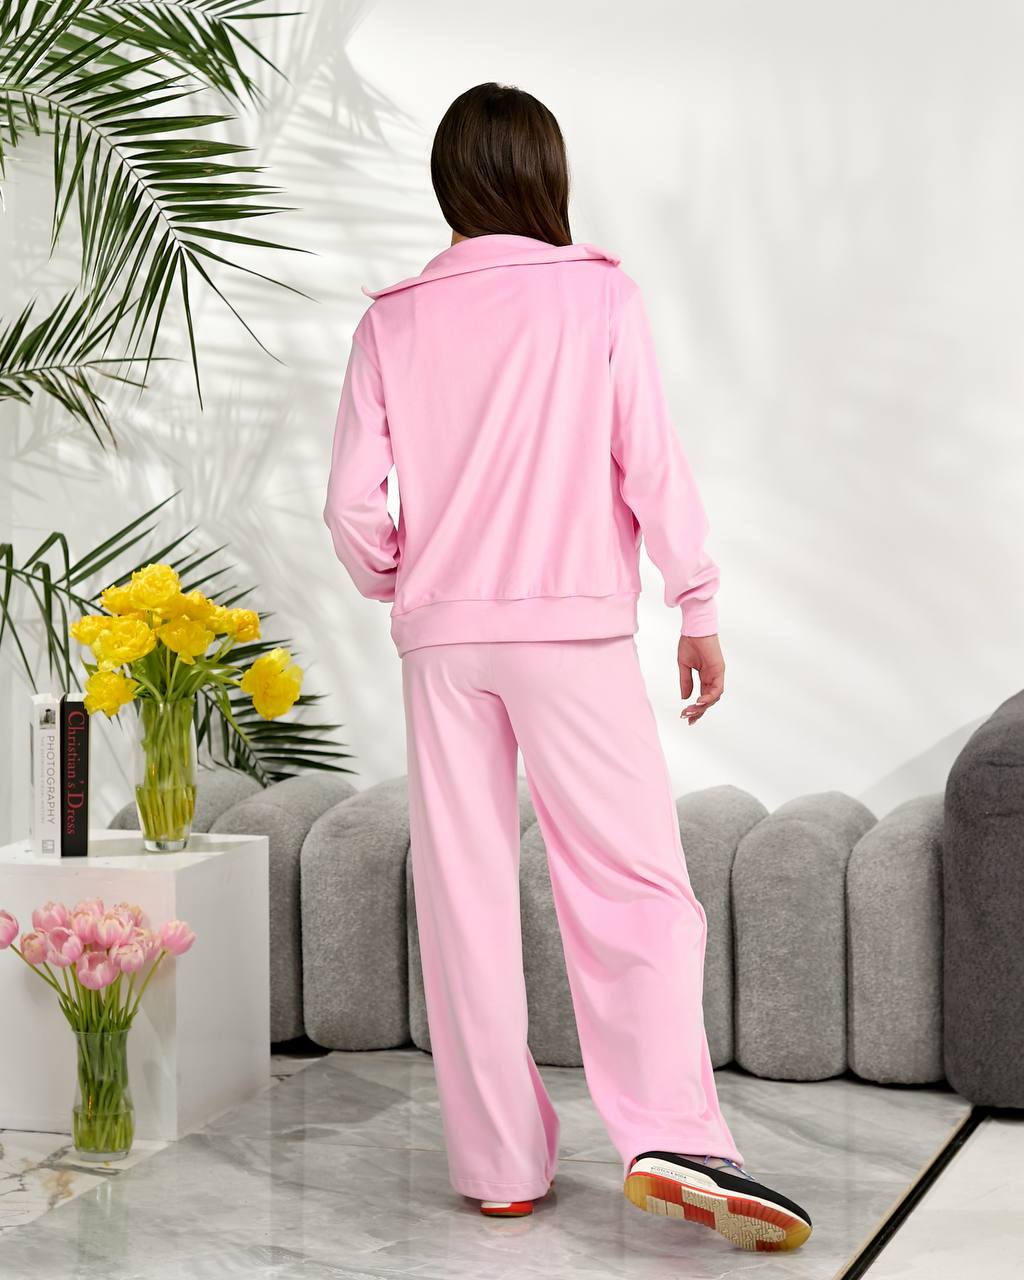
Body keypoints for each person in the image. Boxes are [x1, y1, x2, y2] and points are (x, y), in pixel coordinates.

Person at [323, 81, 812, 1254]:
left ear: (449, 182)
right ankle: (671, 1133)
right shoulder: (597, 295)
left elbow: (349, 506)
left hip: (445, 642)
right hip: (570, 631)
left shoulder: (390, 319)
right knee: (632, 881)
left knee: (464, 896)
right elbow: (650, 459)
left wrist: (407, 578)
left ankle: (497, 1165)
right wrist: (695, 599)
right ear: (546, 176)